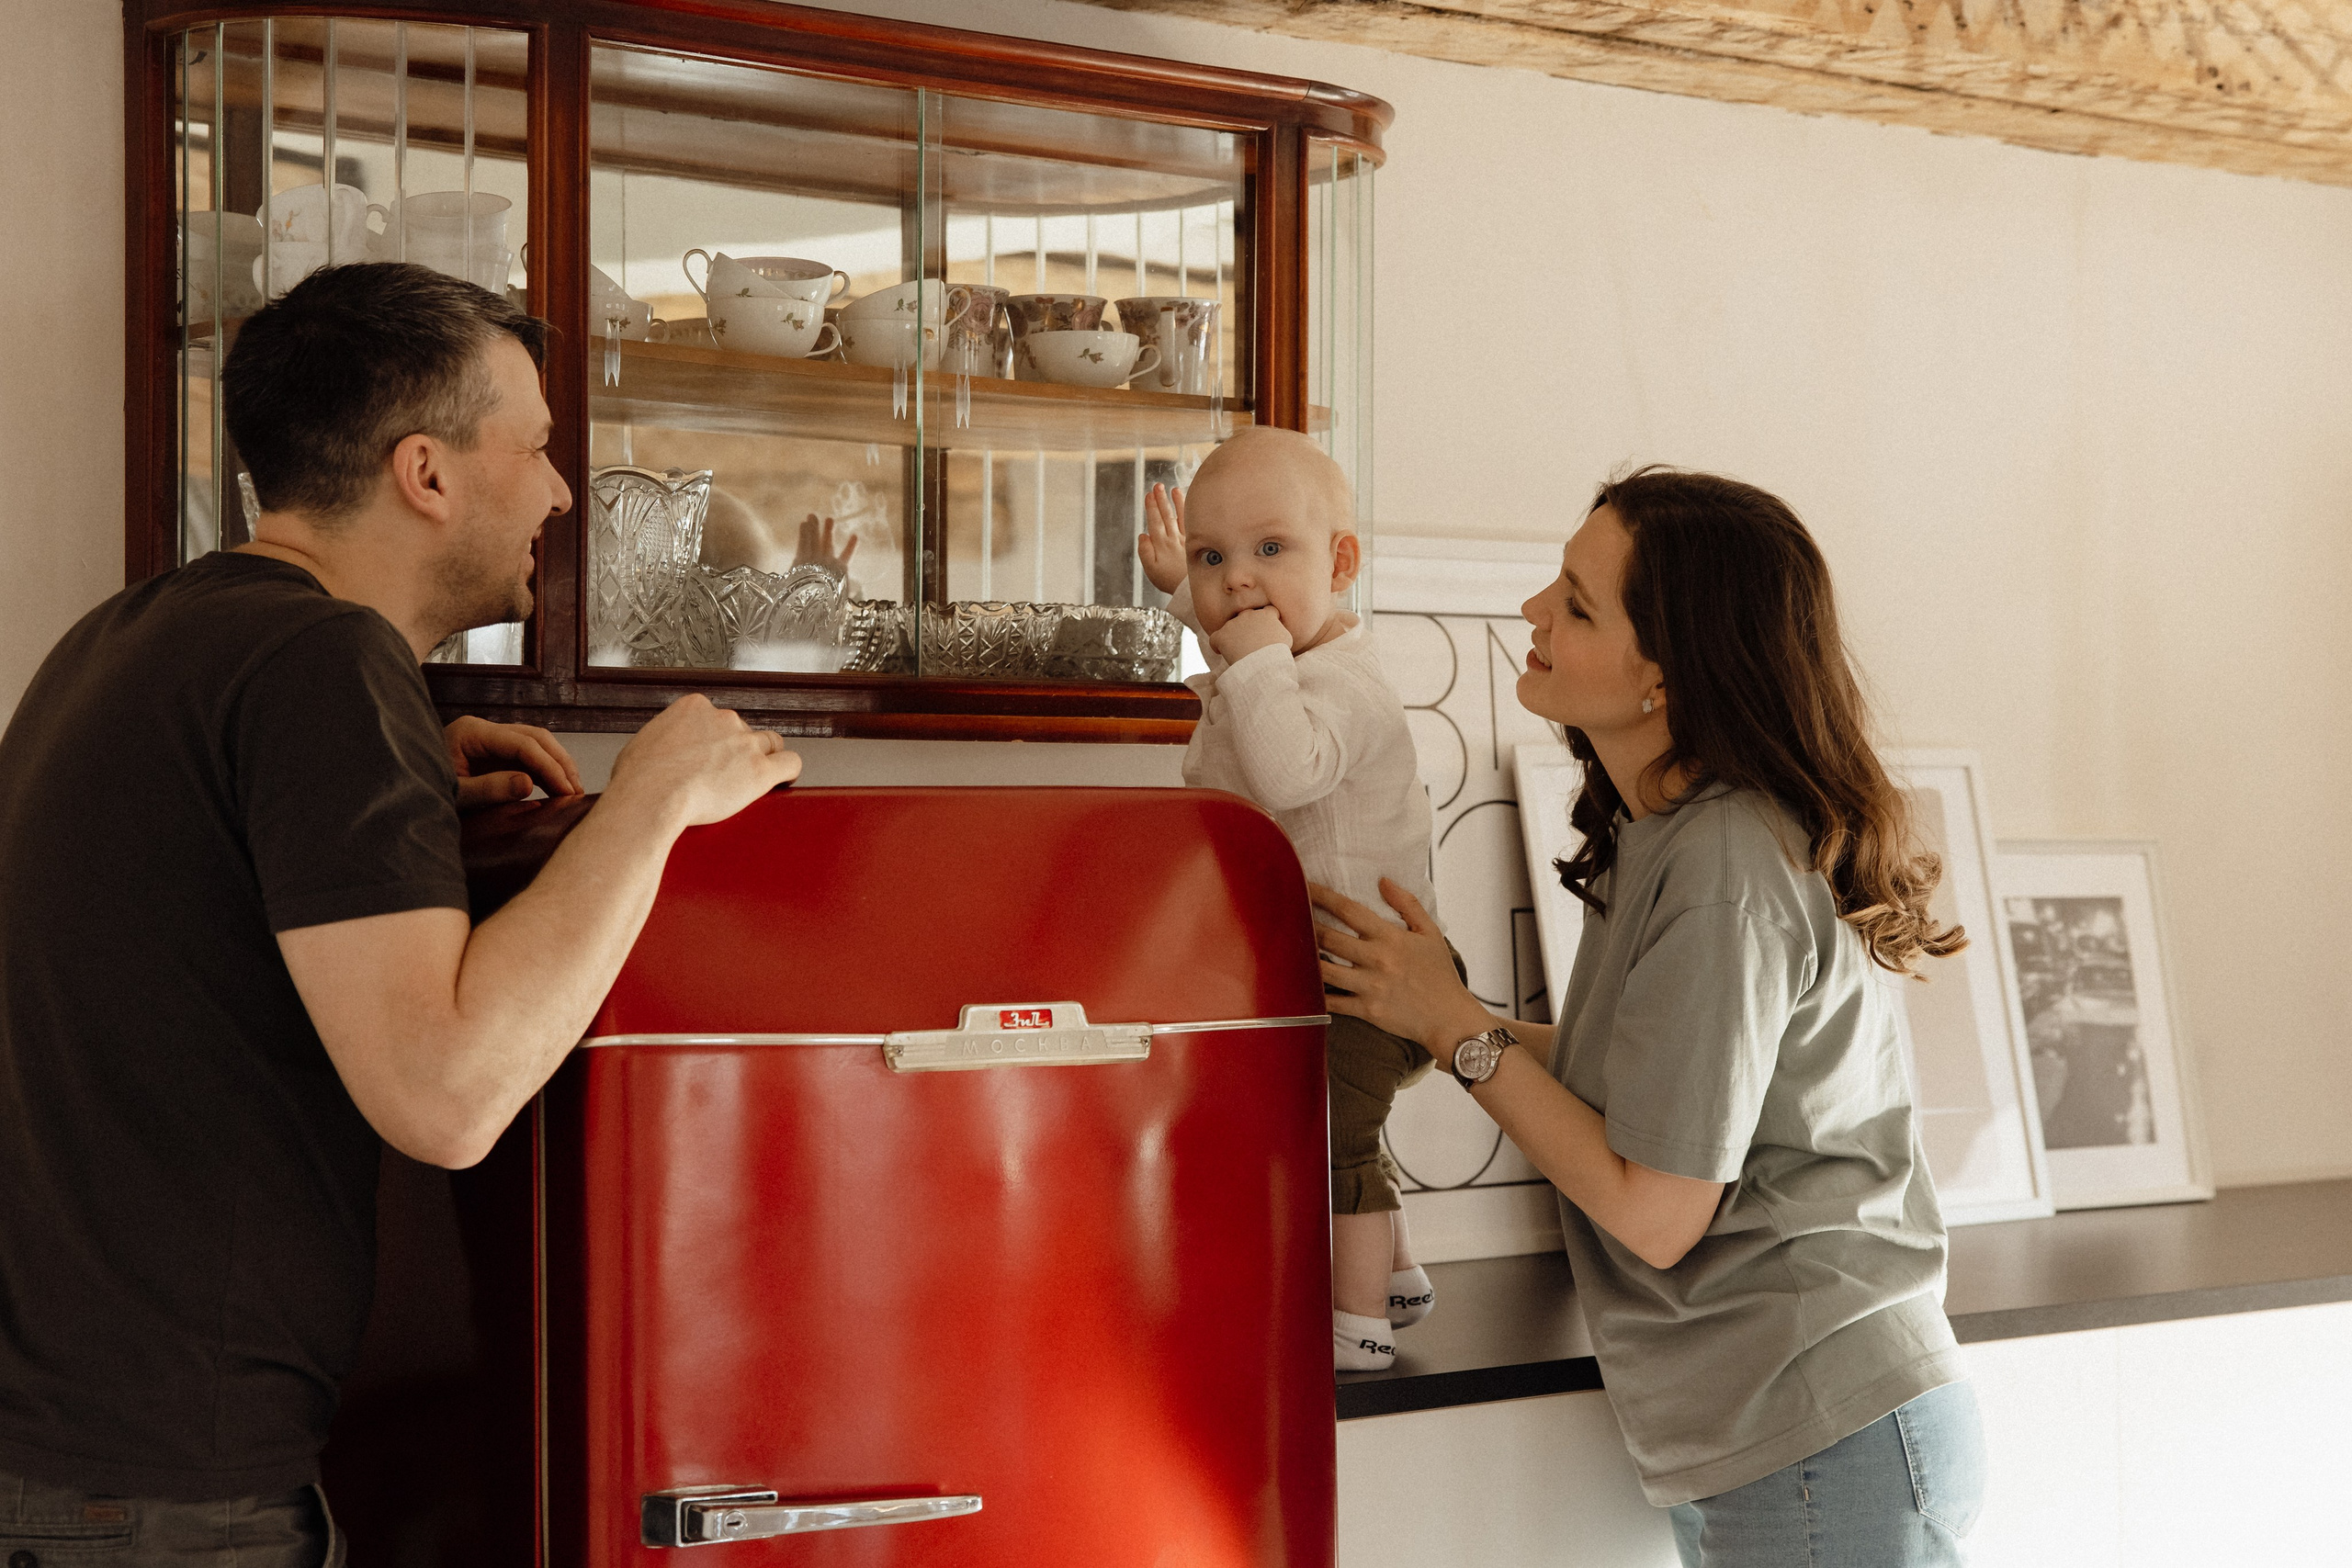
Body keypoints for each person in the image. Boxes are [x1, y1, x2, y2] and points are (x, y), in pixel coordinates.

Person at [0, 263, 798, 1565]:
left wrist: (411, 763)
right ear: (423, 471)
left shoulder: (133, 635)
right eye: (537, 446)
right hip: (167, 1497)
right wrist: (648, 802)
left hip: (64, 1458)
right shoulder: (325, 664)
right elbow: (445, 1094)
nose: (556, 490)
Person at [1306, 468, 1987, 1565]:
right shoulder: (1669, 830)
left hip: (1818, 1435)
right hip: (1788, 1432)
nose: (1532, 612)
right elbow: (1643, 1079)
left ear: (1667, 673)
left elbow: (1660, 1209)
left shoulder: (1724, 864)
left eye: (1576, 604)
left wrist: (1459, 1032)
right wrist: (1431, 1011)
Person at [1136, 426, 1442, 1371]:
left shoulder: (1340, 684)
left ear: (1341, 562)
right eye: (1211, 556)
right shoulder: (1279, 662)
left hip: (1371, 987)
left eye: (1271, 550)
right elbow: (1241, 621)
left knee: (1330, 1145)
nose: (1237, 582)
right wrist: (1185, 597)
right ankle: (1396, 1274)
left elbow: (1287, 770)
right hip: (1334, 980)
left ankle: (1355, 1325)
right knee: (1345, 1128)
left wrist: (1251, 656)